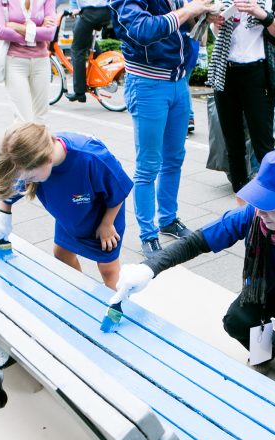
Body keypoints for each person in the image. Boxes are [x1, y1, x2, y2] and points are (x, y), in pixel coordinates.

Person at [111, 150, 275, 388]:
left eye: (271, 206)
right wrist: (149, 268)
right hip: (267, 292)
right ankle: (263, 351)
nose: (261, 212)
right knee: (236, 321)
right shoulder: (253, 217)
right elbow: (197, 241)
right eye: (259, 200)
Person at [110, 0, 217, 258]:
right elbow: (144, 29)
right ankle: (148, 234)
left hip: (179, 81)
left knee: (174, 158)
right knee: (148, 165)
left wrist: (201, 16)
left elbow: (180, 24)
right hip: (147, 83)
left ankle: (167, 219)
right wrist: (190, 10)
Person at [0, 123, 133, 289]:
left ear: (48, 160)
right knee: (61, 254)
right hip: (68, 213)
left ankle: (117, 310)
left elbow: (118, 189)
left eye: (31, 177)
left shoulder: (91, 157)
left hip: (101, 217)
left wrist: (107, 224)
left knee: (108, 269)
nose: (27, 182)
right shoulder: (33, 156)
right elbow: (13, 186)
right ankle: (82, 292)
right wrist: (3, 215)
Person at [208, 0, 275, 195]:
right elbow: (216, 31)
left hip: (258, 73)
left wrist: (262, 14)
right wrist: (217, 23)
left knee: (262, 144)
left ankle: (269, 197)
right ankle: (241, 196)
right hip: (225, 70)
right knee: (233, 144)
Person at [0, 0, 56, 123]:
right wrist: (37, 31)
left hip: (41, 61)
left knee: (41, 118)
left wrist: (18, 27)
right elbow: (0, 31)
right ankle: (21, 142)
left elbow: (50, 34)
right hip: (15, 62)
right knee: (23, 119)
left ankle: (39, 143)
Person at [66, 0, 111, 103]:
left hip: (90, 13)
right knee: (82, 34)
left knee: (77, 50)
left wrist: (72, 10)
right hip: (107, 12)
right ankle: (102, 68)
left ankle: (79, 92)